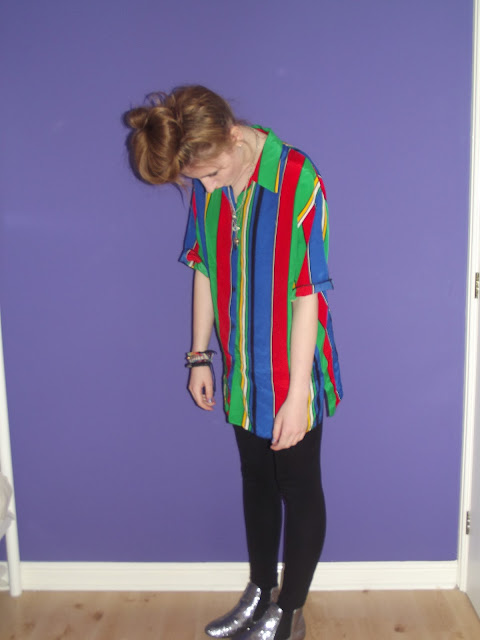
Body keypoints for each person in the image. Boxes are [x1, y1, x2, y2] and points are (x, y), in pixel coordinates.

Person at [125, 85, 343, 640]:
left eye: (210, 173)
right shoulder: (207, 182)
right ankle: (260, 589)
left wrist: (297, 393)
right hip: (242, 367)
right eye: (195, 179)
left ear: (230, 135)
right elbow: (203, 265)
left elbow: (308, 293)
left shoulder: (298, 179)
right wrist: (200, 356)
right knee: (256, 480)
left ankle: (290, 611)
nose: (205, 187)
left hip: (294, 369)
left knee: (298, 486)